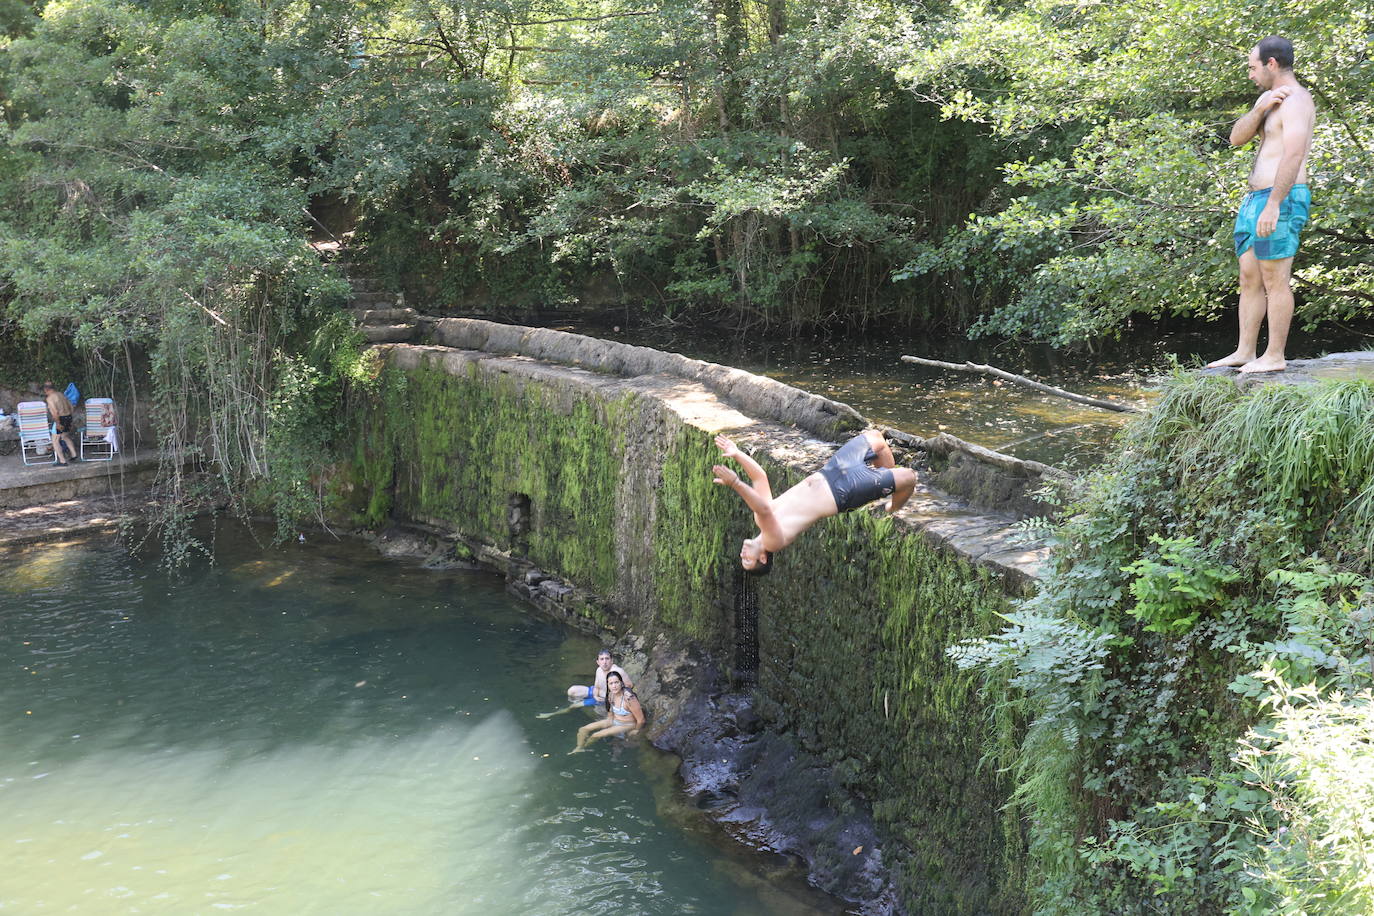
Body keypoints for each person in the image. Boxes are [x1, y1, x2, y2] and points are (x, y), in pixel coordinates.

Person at [1207, 36, 1316, 375]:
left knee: (1274, 278)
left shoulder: (1298, 100)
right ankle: (1244, 351)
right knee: (1249, 276)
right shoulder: (1269, 101)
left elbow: (1294, 154)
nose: (1250, 74)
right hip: (1254, 199)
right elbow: (1236, 138)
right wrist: (1259, 108)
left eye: (1253, 67)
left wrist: (1273, 204)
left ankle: (1275, 356)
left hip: (1279, 198)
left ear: (1271, 64)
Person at [712, 429, 917, 574]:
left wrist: (737, 453)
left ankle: (886, 484)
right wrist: (736, 483)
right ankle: (893, 507)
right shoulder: (772, 542)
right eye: (747, 560)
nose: (742, 554)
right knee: (909, 477)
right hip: (843, 492)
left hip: (830, 471)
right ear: (763, 558)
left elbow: (760, 478)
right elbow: (764, 509)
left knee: (876, 439)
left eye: (742, 558)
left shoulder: (762, 523)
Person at [536, 649, 633, 719]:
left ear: (612, 661)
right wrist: (594, 694)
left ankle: (552, 714)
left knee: (574, 706)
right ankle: (582, 701)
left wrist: (613, 697)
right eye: (602, 659)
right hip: (595, 692)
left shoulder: (617, 671)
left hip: (603, 699)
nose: (605, 662)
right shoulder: (599, 670)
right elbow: (597, 685)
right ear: (597, 662)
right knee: (572, 690)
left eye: (607, 659)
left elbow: (629, 685)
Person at [570, 671, 644, 753]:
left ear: (621, 683)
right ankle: (579, 747)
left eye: (616, 682)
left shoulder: (629, 698)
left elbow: (641, 719)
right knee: (583, 729)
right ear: (608, 685)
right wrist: (608, 722)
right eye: (611, 683)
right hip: (614, 720)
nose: (614, 686)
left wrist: (636, 730)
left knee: (595, 735)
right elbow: (610, 714)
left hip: (628, 724)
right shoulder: (610, 695)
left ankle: (584, 748)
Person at [42, 381, 78, 465]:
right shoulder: (61, 395)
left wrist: (58, 423)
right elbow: (71, 406)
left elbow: (55, 413)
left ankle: (62, 461)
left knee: (55, 440)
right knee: (64, 436)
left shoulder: (50, 398)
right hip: (68, 417)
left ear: (46, 389)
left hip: (60, 419)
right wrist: (69, 417)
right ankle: (74, 454)